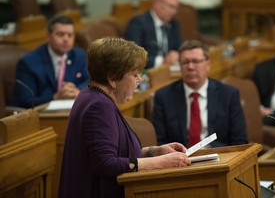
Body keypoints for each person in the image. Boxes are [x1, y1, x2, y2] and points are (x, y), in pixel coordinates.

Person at [58, 37, 191, 198]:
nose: (139, 80)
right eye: (135, 74)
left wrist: (155, 152)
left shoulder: (90, 95)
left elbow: (114, 153)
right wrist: (162, 162)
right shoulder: (99, 106)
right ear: (112, 78)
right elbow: (106, 164)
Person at [152, 40, 248, 148]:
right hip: (180, 160)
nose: (190, 67)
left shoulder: (228, 94)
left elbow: (240, 141)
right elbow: (160, 143)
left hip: (220, 157)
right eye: (185, 62)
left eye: (196, 61)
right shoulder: (164, 97)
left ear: (208, 64)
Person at [10, 15, 89, 108]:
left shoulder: (78, 55)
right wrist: (55, 97)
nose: (66, 39)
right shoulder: (29, 63)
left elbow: (89, 80)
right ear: (48, 35)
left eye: (70, 35)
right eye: (60, 34)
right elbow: (26, 101)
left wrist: (77, 91)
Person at [125, 0, 182, 69]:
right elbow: (133, 56)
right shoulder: (138, 23)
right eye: (171, 7)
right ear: (157, 4)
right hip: (146, 72)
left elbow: (179, 48)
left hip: (170, 70)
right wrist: (162, 61)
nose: (174, 12)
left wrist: (177, 55)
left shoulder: (174, 23)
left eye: (176, 8)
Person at [252, 21, 275, 128]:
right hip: (269, 120)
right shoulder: (262, 68)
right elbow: (255, 100)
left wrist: (273, 114)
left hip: (272, 117)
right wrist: (260, 109)